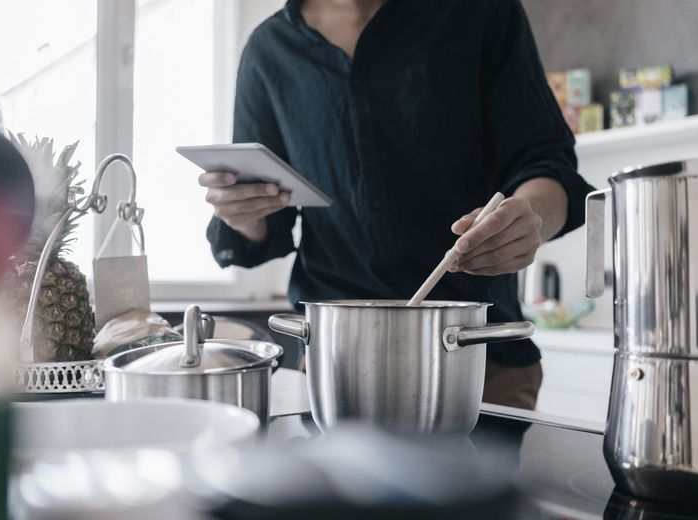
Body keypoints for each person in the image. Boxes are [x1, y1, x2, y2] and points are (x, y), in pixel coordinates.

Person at [198, 0, 595, 410]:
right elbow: (266, 228)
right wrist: (242, 212)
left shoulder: (484, 12)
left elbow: (547, 161)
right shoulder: (268, 50)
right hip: (333, 362)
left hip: (478, 359)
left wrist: (532, 217)